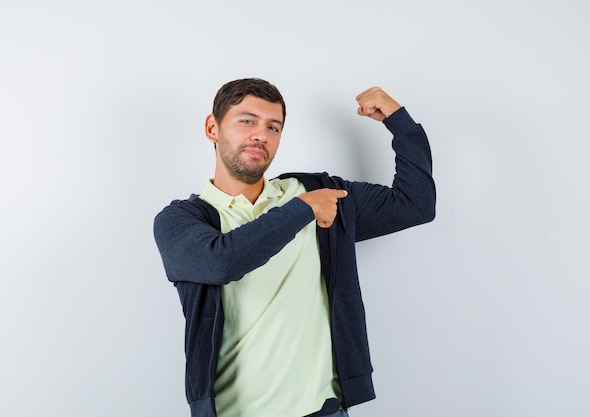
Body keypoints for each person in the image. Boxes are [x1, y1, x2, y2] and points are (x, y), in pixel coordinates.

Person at [153, 78, 436, 417]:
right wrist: (302, 209)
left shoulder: (317, 192)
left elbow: (415, 204)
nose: (261, 134)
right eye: (247, 121)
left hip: (322, 410)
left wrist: (401, 123)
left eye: (273, 127)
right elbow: (222, 262)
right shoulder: (180, 220)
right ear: (212, 128)